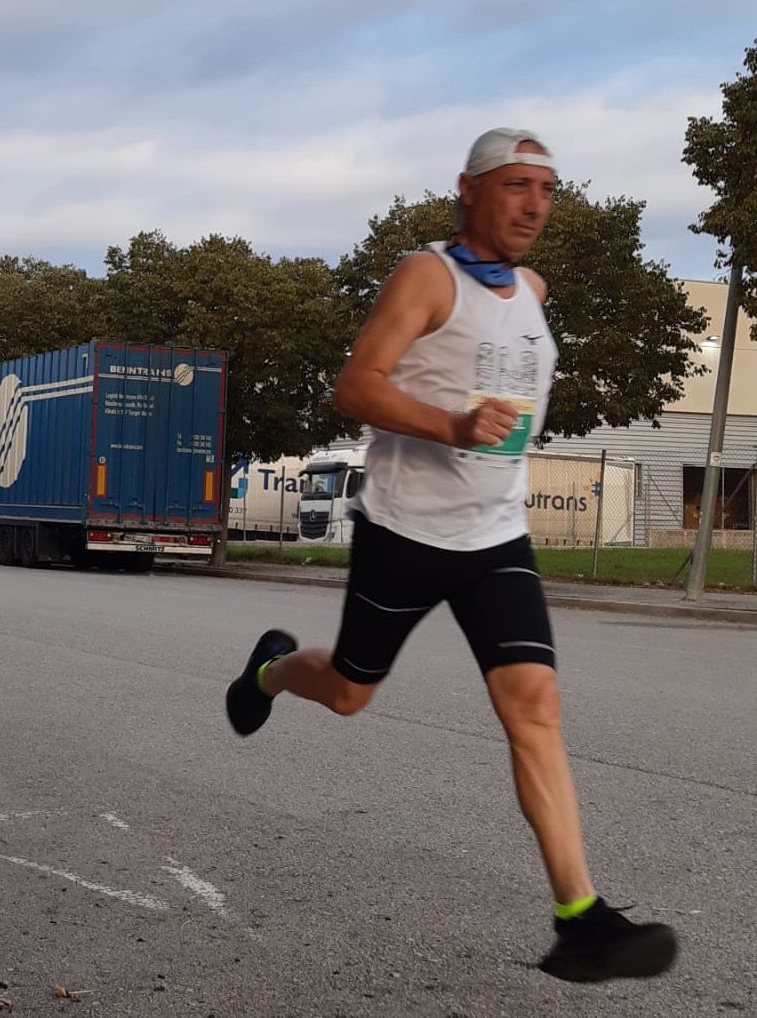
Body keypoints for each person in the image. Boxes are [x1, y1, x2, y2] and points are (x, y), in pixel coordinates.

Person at [225, 128, 678, 983]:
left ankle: (581, 918)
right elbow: (355, 383)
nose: (536, 204)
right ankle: (270, 672)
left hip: (496, 535)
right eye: (517, 185)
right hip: (407, 531)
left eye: (548, 188)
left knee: (534, 704)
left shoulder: (534, 289)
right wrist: (451, 425)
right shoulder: (426, 276)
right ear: (469, 190)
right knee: (352, 693)